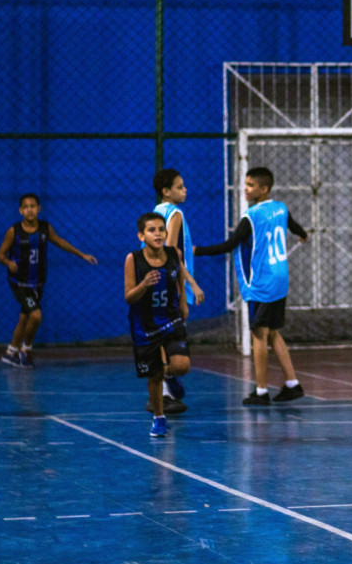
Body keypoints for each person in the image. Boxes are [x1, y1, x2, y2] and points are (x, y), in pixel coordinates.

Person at [194, 167, 309, 406]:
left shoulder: (251, 216)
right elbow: (295, 226)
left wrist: (197, 251)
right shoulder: (280, 208)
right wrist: (303, 235)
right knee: (273, 332)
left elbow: (230, 244)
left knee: (259, 334)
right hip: (280, 278)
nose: (245, 189)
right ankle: (292, 383)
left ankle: (261, 391)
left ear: (263, 189)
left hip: (262, 282)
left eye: (250, 185)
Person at [0, 193, 98, 368]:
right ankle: (26, 350)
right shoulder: (14, 231)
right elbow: (0, 254)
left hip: (38, 282)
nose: (29, 210)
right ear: (20, 210)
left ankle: (10, 352)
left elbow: (60, 242)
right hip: (19, 283)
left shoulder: (45, 228)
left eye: (33, 206)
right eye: (26, 207)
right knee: (36, 316)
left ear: (39, 209)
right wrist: (8, 262)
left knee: (24, 317)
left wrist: (82, 254)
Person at [125, 212, 192, 438]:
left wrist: (183, 302)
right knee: (154, 376)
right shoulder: (133, 260)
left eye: (161, 229)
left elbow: (179, 279)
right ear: (141, 235)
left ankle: (171, 375)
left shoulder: (174, 254)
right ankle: (159, 418)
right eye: (152, 230)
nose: (158, 234)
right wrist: (144, 284)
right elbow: (129, 297)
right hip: (145, 326)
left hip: (171, 318)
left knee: (182, 365)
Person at [150, 168, 204, 408]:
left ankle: (164, 388)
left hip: (155, 282)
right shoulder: (175, 214)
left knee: (160, 338)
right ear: (166, 191)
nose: (185, 190)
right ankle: (163, 389)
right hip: (168, 283)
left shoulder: (156, 211)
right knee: (169, 338)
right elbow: (169, 252)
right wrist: (190, 284)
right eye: (180, 187)